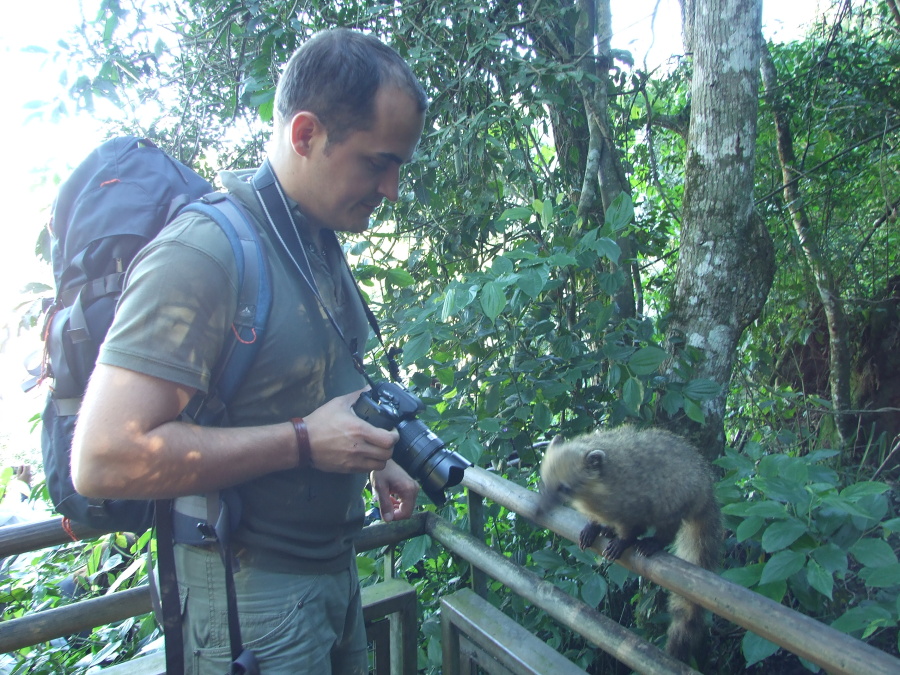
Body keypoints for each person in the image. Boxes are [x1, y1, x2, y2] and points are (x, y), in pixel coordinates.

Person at [71, 28, 428, 674]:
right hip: (251, 597)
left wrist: (374, 456)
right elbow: (102, 459)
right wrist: (300, 441)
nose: (393, 189)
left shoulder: (315, 239)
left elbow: (315, 387)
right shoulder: (204, 252)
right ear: (304, 135)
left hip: (333, 573)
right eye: (378, 162)